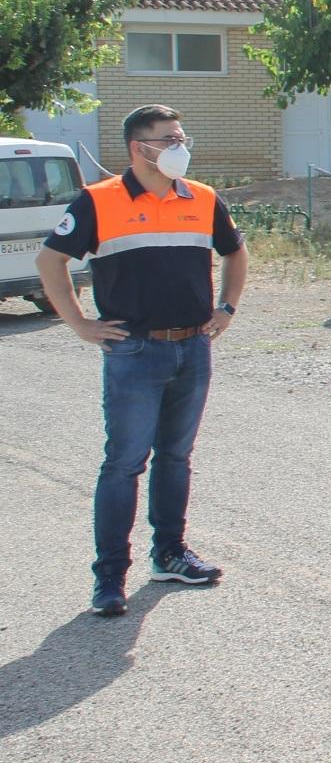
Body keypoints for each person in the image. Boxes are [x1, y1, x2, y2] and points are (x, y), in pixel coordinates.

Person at [35, 105, 247, 617]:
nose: (180, 146)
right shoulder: (97, 201)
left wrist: (226, 309)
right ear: (139, 148)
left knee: (176, 457)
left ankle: (170, 554)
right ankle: (110, 578)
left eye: (181, 136)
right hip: (133, 351)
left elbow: (235, 253)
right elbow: (50, 261)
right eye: (169, 138)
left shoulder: (203, 198)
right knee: (125, 463)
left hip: (193, 347)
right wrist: (80, 324)